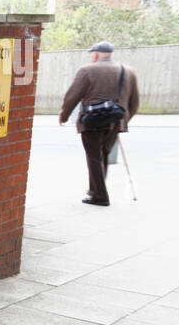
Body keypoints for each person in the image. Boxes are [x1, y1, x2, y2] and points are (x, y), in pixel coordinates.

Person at [58, 41, 140, 206]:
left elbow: (72, 96)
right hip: (116, 121)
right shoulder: (128, 71)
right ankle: (96, 191)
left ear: (95, 54)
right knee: (103, 155)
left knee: (94, 157)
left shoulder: (87, 70)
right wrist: (123, 120)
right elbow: (134, 103)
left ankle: (100, 196)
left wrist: (64, 116)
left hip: (91, 121)